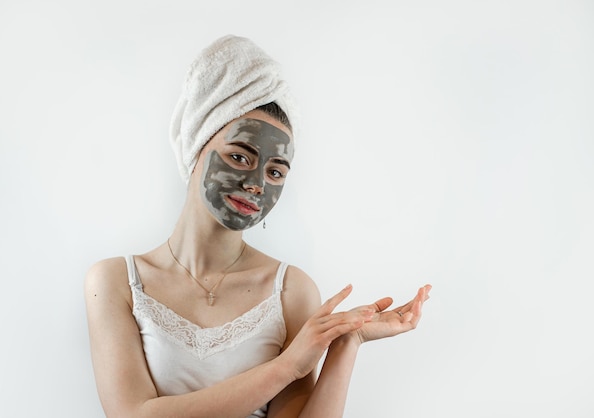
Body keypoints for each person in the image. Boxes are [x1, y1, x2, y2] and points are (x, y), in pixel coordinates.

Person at [84, 34, 432, 418]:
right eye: (239, 156)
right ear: (197, 147)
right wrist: (287, 366)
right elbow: (133, 414)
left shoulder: (290, 291)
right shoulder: (116, 281)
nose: (257, 183)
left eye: (276, 171)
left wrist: (347, 343)